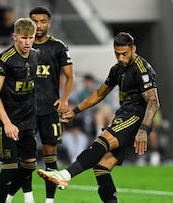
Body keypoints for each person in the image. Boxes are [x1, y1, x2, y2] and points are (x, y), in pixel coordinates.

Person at [38, 32, 160, 203]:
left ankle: (65, 174)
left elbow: (153, 102)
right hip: (124, 115)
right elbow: (99, 94)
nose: (121, 58)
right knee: (101, 167)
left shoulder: (142, 70)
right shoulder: (117, 69)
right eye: (117, 53)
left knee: (102, 140)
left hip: (136, 117)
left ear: (134, 49)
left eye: (124, 53)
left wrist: (143, 130)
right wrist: (76, 111)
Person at [19, 6, 75, 203]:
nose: (39, 25)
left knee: (50, 156)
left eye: (43, 21)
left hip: (49, 110)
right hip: (26, 111)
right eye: (34, 21)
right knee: (27, 157)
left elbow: (69, 76)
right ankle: (28, 198)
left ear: (49, 23)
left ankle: (49, 201)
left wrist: (65, 99)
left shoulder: (58, 47)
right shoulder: (23, 47)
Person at [0, 18, 38, 203]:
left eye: (31, 38)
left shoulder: (35, 56)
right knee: (10, 167)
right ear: (15, 36)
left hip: (28, 120)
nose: (27, 42)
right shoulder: (4, 60)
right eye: (24, 38)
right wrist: (7, 122)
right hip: (7, 121)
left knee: (29, 166)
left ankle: (8, 197)